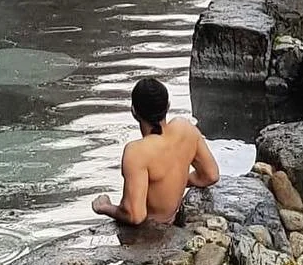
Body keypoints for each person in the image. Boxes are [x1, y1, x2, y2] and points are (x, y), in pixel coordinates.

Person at [92, 76, 219, 227]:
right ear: (168, 106)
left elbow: (135, 216)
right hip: (172, 223)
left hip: (150, 235)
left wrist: (105, 207)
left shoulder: (137, 152)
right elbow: (211, 175)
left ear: (133, 111)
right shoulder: (185, 128)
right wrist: (176, 181)